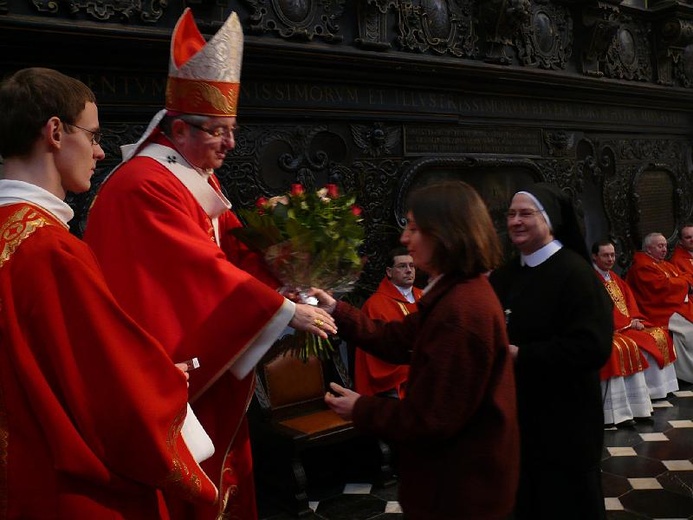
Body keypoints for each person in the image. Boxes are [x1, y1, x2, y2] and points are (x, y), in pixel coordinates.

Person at [82, 9, 336, 520]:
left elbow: (233, 253)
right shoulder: (145, 185)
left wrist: (295, 281)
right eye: (219, 131)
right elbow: (196, 271)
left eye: (232, 129)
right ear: (179, 129)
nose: (231, 144)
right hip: (166, 369)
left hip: (204, 369)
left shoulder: (193, 174)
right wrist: (283, 313)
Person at [0, 67, 217, 518]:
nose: (100, 151)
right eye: (93, 135)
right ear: (55, 132)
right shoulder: (51, 248)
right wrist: (166, 379)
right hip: (68, 486)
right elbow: (110, 394)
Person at [312, 180, 519, 520]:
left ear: (445, 234)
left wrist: (361, 408)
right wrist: (335, 307)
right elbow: (394, 340)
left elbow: (430, 420)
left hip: (459, 489)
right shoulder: (453, 291)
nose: (405, 239)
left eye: (413, 228)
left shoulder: (459, 310)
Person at [489, 183, 612, 520]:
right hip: (519, 421)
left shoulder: (576, 274)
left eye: (526, 213)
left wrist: (521, 356)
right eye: (511, 214)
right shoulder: (504, 276)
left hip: (566, 424)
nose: (515, 221)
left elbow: (592, 347)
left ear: (550, 221)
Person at [354, 246, 423, 398]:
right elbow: (376, 348)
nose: (409, 270)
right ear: (389, 272)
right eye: (402, 266)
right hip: (397, 383)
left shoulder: (425, 296)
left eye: (412, 266)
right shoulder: (375, 305)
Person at [626, 232, 693, 384]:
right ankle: (686, 374)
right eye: (660, 246)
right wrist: (681, 282)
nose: (664, 250)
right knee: (689, 332)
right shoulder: (643, 266)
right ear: (649, 249)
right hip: (657, 311)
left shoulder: (663, 263)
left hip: (674, 305)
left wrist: (679, 281)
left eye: (665, 246)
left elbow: (687, 277)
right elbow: (662, 288)